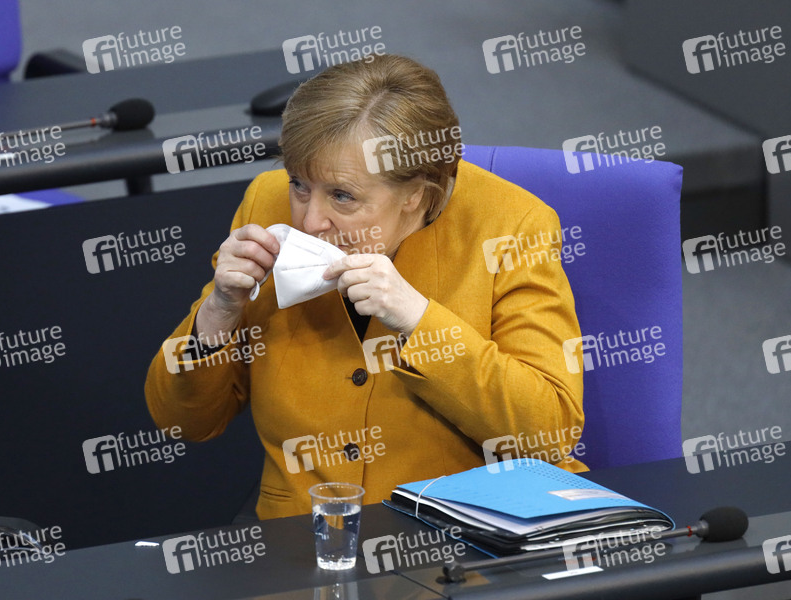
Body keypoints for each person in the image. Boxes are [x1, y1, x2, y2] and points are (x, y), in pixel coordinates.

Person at [145, 54, 584, 520]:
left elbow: (549, 433)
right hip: (306, 535)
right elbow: (183, 422)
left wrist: (418, 320)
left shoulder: (512, 227)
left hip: (456, 531)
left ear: (416, 193)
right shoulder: (265, 205)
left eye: (342, 196)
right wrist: (219, 311)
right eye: (299, 185)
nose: (310, 221)